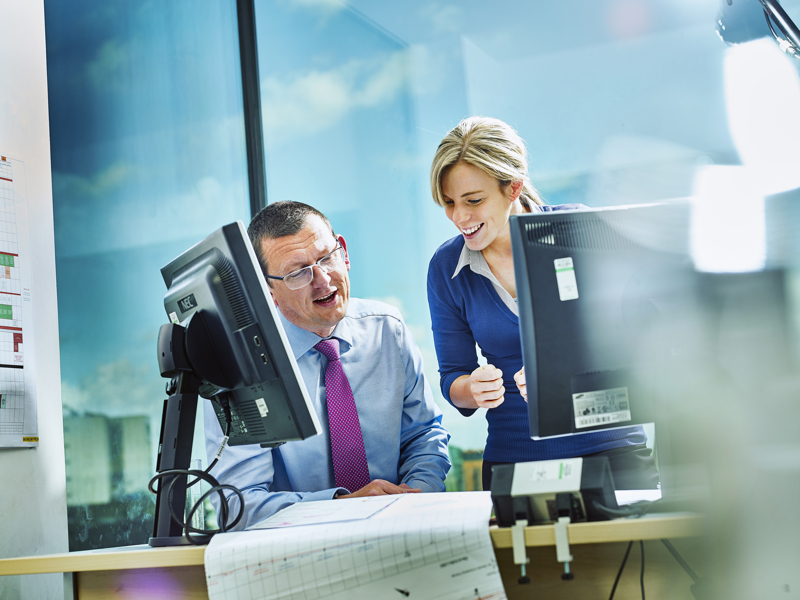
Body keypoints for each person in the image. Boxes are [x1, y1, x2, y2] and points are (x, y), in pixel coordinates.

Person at [426, 116, 659, 491]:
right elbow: (453, 376)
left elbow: (644, 346)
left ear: (513, 187)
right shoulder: (446, 269)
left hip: (611, 455)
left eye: (474, 201)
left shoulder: (579, 233)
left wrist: (564, 380)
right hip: (513, 464)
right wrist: (473, 388)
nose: (459, 217)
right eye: (449, 203)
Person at [205, 201, 450, 530]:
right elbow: (237, 503)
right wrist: (339, 508)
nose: (322, 280)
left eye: (326, 258)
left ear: (344, 252)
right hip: (297, 557)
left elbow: (424, 435)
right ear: (267, 290)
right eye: (297, 273)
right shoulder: (240, 369)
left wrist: (416, 497)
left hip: (399, 534)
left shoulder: (387, 330)